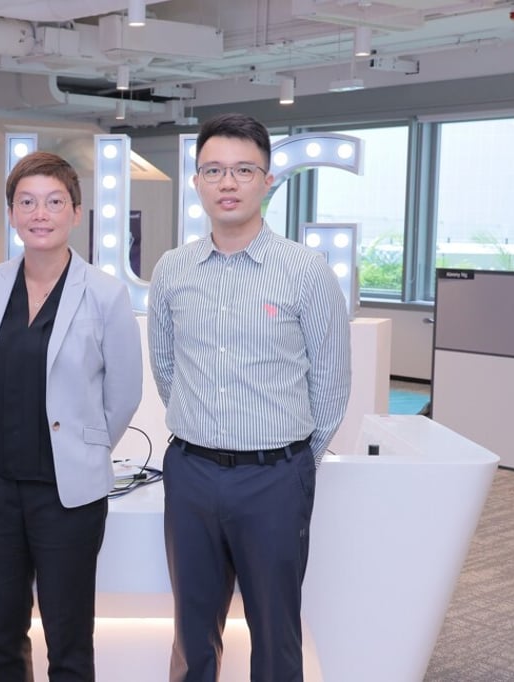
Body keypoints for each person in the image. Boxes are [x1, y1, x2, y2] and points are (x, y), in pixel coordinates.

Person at [147, 113, 351, 681]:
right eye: (213, 170)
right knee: (193, 634)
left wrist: (289, 468)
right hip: (190, 472)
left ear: (267, 181)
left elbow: (332, 385)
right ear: (197, 182)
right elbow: (166, 368)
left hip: (275, 477)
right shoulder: (173, 271)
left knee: (276, 633)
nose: (227, 183)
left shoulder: (305, 272)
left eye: (243, 169)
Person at [0, 151, 143, 681]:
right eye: (26, 202)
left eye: (53, 202)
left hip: (67, 495)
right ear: (12, 213)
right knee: (1, 639)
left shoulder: (106, 293)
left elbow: (125, 394)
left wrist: (86, 451)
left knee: (68, 643)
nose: (39, 213)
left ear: (76, 213)